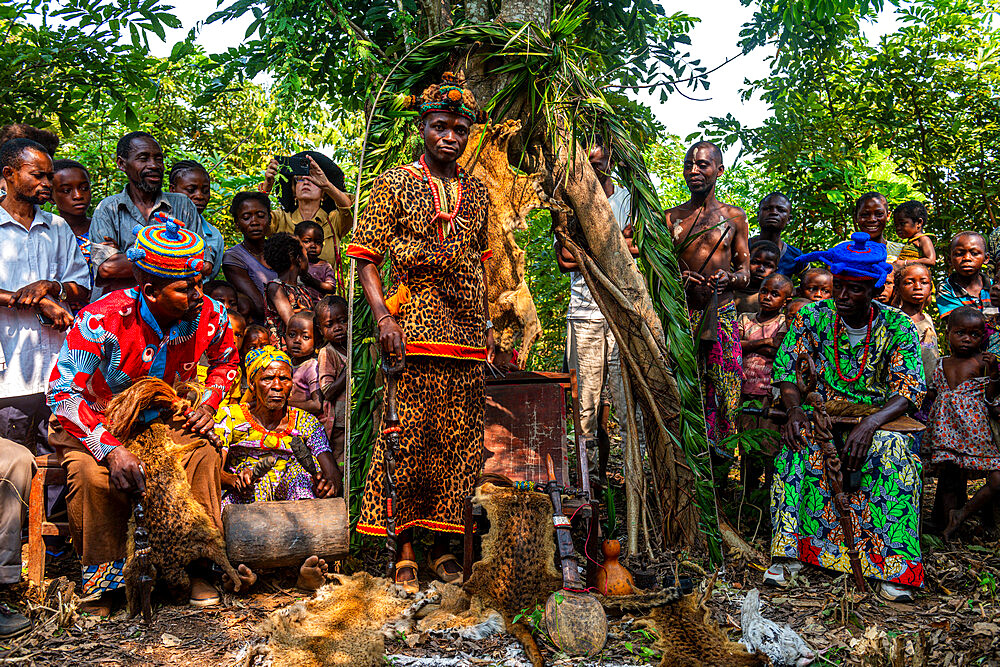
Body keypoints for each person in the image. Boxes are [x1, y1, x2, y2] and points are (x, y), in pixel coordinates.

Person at [46, 217, 239, 615]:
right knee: (90, 474)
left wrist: (208, 404)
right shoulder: (102, 320)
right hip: (95, 421)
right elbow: (63, 395)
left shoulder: (211, 316)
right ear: (149, 290)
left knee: (202, 456)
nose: (199, 294)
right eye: (186, 287)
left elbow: (228, 362)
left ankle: (195, 567)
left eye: (200, 281)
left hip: (163, 418)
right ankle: (105, 584)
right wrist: (111, 450)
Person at [346, 72, 494, 592]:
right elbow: (366, 259)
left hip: (467, 335)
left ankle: (444, 549)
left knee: (455, 444)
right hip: (412, 328)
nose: (450, 136)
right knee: (404, 440)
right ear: (422, 127)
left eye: (459, 128)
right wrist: (384, 317)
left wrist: (489, 324)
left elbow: (482, 264)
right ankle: (404, 547)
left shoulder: (477, 193)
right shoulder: (394, 183)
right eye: (439, 126)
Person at [765, 232, 925, 602]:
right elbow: (787, 371)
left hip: (876, 416)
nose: (841, 297)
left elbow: (909, 390)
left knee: (894, 457)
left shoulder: (897, 326)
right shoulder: (812, 315)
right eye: (839, 287)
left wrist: (870, 424)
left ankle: (895, 567)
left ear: (872, 290)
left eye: (853, 290)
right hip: (822, 413)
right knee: (797, 449)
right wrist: (794, 412)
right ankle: (791, 554)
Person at [0, 138, 89, 637]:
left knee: (53, 467)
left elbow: (79, 283)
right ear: (10, 174)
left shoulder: (57, 228)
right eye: (37, 174)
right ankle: (10, 579)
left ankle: (43, 567)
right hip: (7, 373)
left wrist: (52, 289)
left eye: (48, 174)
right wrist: (23, 298)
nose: (46, 182)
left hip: (56, 371)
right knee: (10, 475)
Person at [214, 345, 338, 590]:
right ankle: (241, 570)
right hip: (247, 495)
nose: (278, 386)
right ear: (252, 385)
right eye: (268, 379)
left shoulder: (305, 422)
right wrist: (233, 479)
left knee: (299, 480)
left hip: (291, 502)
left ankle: (305, 567)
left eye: (284, 378)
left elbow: (331, 472)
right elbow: (211, 472)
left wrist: (326, 484)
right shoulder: (230, 417)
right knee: (239, 497)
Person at [554, 139, 640, 475]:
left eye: (602, 159)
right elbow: (564, 258)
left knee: (628, 409)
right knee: (584, 410)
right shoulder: (570, 203)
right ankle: (586, 487)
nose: (596, 164)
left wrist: (586, 250)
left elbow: (637, 248)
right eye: (589, 160)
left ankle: (638, 485)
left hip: (624, 313)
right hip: (584, 315)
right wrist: (615, 245)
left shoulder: (628, 201)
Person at [666, 140, 750, 456]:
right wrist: (679, 279)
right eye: (689, 164)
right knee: (687, 390)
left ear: (719, 170)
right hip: (684, 317)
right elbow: (658, 272)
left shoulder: (734, 217)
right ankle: (691, 457)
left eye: (703, 164)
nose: (694, 170)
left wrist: (730, 278)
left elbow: (746, 273)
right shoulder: (671, 218)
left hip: (724, 313)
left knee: (728, 390)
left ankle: (726, 461)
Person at [89, 132, 215, 300]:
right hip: (120, 312)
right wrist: (177, 255)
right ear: (121, 163)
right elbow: (106, 269)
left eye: (158, 159)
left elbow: (203, 264)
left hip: (173, 310)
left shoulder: (183, 205)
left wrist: (129, 255)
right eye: (143, 158)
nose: (154, 165)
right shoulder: (108, 209)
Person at [925, 307, 1000, 541]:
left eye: (975, 335)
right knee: (949, 480)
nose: (967, 339)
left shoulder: (984, 362)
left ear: (983, 337)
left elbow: (992, 397)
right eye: (960, 333)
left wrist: (995, 373)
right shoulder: (940, 363)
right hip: (947, 434)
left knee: (997, 478)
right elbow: (932, 395)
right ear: (947, 333)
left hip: (977, 434)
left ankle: (964, 513)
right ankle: (947, 528)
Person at [262, 151, 353, 293]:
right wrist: (267, 186)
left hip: (326, 305)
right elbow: (258, 222)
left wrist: (327, 184)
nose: (305, 181)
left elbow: (349, 208)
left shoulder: (334, 220)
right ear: (293, 190)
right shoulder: (280, 218)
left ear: (323, 194)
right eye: (299, 178)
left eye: (312, 179)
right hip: (285, 299)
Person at [738, 272, 792, 495]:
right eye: (764, 291)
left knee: (770, 450)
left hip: (770, 396)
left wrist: (751, 344)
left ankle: (768, 497)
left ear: (785, 301)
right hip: (744, 393)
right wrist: (766, 342)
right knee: (746, 449)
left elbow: (778, 349)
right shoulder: (745, 319)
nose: (767, 297)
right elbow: (734, 346)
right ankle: (747, 496)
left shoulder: (784, 322)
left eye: (775, 294)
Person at [937, 232, 999, 354]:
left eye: (974, 253)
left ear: (986, 258)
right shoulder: (946, 288)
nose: (967, 258)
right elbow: (961, 324)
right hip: (964, 358)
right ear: (950, 260)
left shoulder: (994, 286)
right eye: (959, 254)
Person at [222, 192, 278, 323]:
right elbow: (259, 305)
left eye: (260, 216)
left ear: (269, 218)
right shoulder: (233, 257)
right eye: (246, 217)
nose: (254, 222)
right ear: (237, 224)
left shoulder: (280, 248)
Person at [167, 160, 225, 280]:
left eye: (205, 191)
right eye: (191, 190)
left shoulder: (214, 235)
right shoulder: (158, 225)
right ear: (173, 190)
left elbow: (210, 277)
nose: (199, 196)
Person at [263, 232, 314, 344]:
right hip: (284, 353)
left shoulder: (303, 290)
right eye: (306, 255)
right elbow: (292, 323)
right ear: (298, 259)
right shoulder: (276, 288)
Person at [315, 296, 348, 463]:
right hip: (340, 423)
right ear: (321, 330)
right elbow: (327, 391)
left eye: (342, 321)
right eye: (330, 325)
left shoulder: (357, 347)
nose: (338, 328)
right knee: (341, 461)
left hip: (356, 418)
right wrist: (348, 371)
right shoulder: (328, 353)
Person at [895, 264, 938, 388]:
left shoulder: (927, 318)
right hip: (909, 389)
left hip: (932, 389)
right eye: (909, 283)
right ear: (897, 288)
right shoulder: (897, 321)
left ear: (930, 288)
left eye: (924, 282)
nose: (918, 287)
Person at [51, 159, 94, 281]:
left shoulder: (104, 229)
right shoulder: (47, 235)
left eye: (84, 188)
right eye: (66, 191)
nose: (78, 196)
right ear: (50, 196)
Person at [752, 192, 803, 277]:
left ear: (789, 219)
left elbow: (811, 283)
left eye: (781, 210)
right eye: (767, 208)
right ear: (758, 215)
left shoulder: (795, 255)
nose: (773, 212)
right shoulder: (741, 248)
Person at [286, 311, 322, 418]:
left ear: (317, 342)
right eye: (292, 335)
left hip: (306, 422)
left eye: (305, 337)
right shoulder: (286, 362)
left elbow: (317, 405)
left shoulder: (312, 367)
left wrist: (286, 405)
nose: (297, 340)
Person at [296, 220, 338, 300]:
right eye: (307, 241)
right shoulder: (292, 263)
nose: (313, 246)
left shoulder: (325, 266)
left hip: (316, 308)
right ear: (297, 242)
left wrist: (313, 282)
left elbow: (331, 288)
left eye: (318, 242)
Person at [735, 239, 779, 315]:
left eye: (768, 265)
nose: (761, 269)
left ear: (775, 270)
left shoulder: (771, 300)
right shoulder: (731, 291)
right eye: (755, 262)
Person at [853, 192, 900, 262]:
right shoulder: (843, 249)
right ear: (855, 217)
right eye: (865, 215)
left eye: (879, 214)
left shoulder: (901, 251)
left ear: (888, 216)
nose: (872, 219)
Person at [892, 200, 936, 269]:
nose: (898, 228)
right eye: (896, 225)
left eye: (902, 224)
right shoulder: (911, 241)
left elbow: (931, 260)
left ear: (919, 223)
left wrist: (904, 263)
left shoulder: (923, 239)